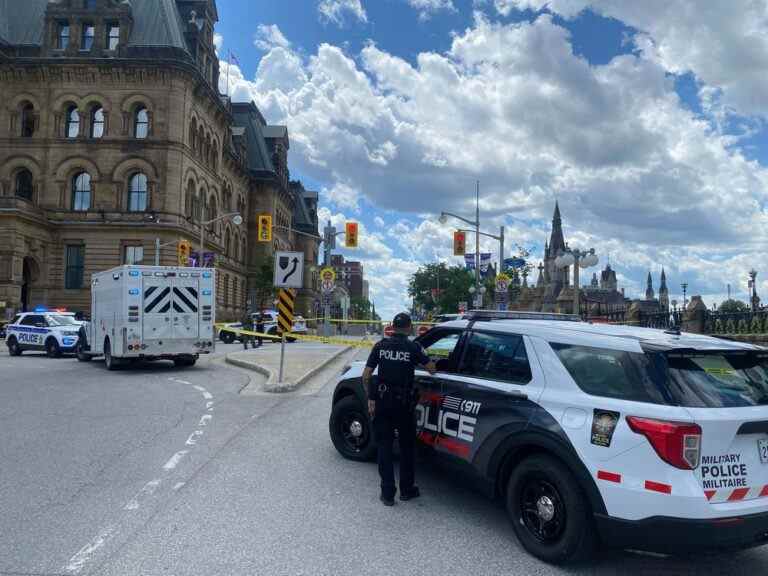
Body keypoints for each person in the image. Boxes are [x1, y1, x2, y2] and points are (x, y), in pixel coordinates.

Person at [363, 312, 436, 506]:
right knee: (406, 448)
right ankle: (407, 490)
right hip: (404, 406)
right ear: (409, 327)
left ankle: (387, 494)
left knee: (384, 447)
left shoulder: (380, 346)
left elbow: (366, 375)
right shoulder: (413, 347)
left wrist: (371, 398)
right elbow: (432, 369)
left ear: (392, 328)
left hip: (382, 403)